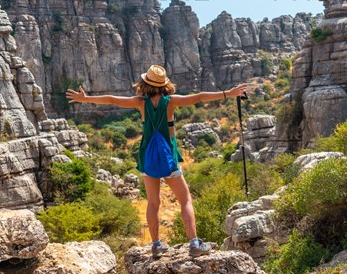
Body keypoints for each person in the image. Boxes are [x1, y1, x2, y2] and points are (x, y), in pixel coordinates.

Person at [66, 65, 248, 258]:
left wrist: (85, 99)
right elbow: (199, 97)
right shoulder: (171, 102)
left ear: (144, 83)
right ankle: (194, 244)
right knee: (185, 199)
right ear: (164, 84)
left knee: (153, 203)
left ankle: (156, 245)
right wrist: (228, 93)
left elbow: (112, 100)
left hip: (148, 158)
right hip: (168, 157)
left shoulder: (139, 103)